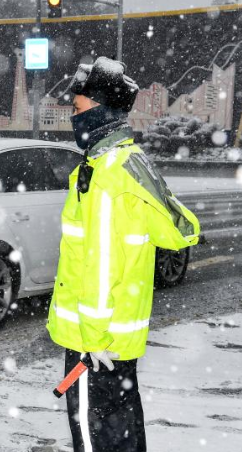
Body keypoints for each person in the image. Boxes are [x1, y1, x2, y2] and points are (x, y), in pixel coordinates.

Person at [46, 57, 201, 452]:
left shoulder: (108, 175)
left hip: (93, 346)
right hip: (120, 344)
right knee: (123, 437)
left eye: (78, 110)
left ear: (100, 111)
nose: (73, 119)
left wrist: (93, 342)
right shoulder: (129, 162)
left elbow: (100, 265)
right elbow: (177, 227)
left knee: (95, 443)